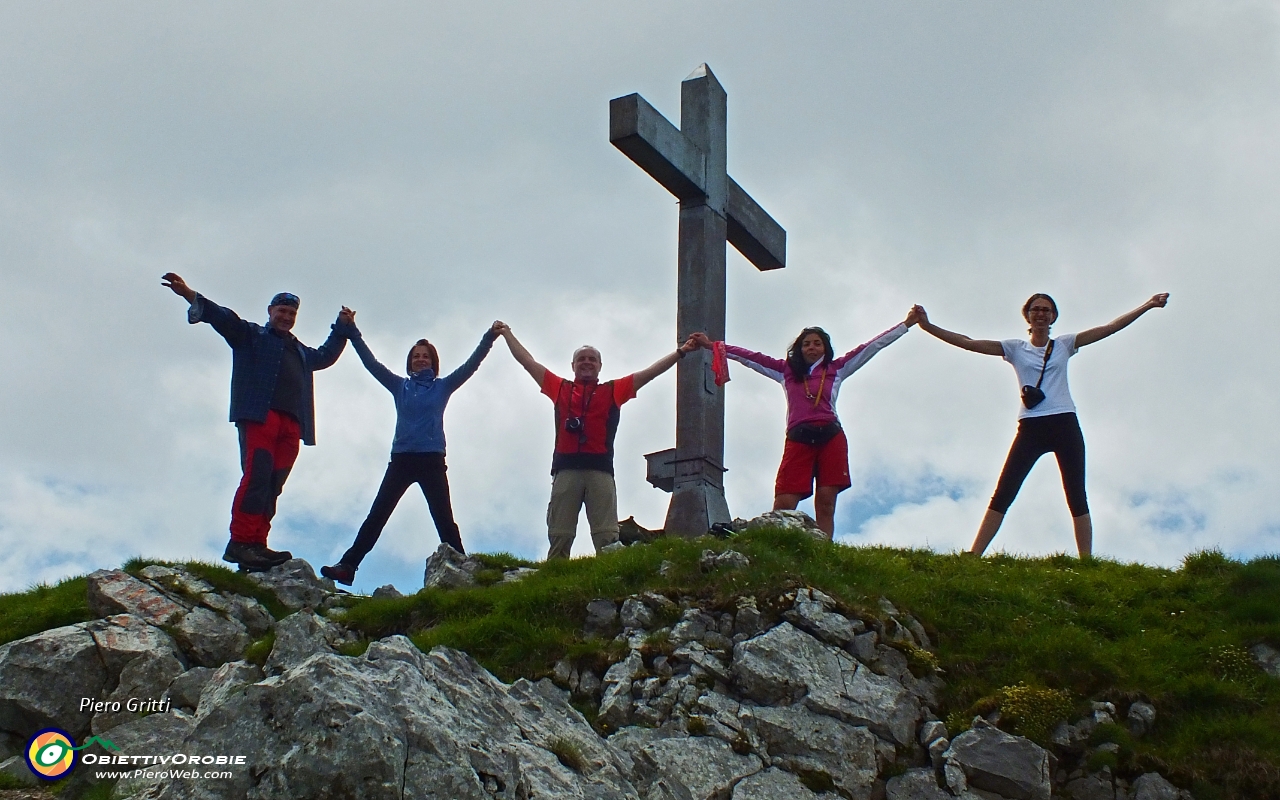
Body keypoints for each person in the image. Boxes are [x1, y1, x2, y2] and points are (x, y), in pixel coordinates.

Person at [914, 292, 1170, 557]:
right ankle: (974, 554)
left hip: (1064, 423)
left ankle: (1086, 562)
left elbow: (1110, 328)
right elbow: (968, 343)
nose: (1041, 314)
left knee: (1076, 495)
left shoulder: (1065, 344)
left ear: (1053, 316)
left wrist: (1148, 305)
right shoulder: (1015, 348)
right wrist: (928, 326)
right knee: (1004, 492)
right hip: (1030, 427)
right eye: (1036, 309)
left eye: (1046, 310)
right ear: (1027, 315)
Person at [161, 273, 354, 572]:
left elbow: (326, 356)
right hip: (259, 416)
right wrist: (190, 295)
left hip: (292, 424)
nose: (287, 317)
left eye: (292, 314)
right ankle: (240, 542)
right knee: (257, 477)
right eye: (282, 311)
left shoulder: (300, 351)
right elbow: (224, 318)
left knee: (273, 485)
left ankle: (258, 545)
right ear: (270, 311)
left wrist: (342, 328)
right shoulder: (250, 335)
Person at [690, 309, 920, 539]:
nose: (812, 348)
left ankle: (823, 548)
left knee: (826, 501)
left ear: (825, 348)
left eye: (817, 344)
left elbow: (872, 346)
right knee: (784, 501)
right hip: (799, 438)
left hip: (831, 436)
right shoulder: (785, 370)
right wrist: (712, 346)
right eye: (807, 344)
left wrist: (906, 324)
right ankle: (776, 543)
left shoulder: (837, 368)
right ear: (799, 349)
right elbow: (750, 357)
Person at [320, 320, 503, 586]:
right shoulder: (399, 386)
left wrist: (489, 338)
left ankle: (464, 570)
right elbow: (372, 364)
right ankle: (348, 566)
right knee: (377, 515)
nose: (420, 359)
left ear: (433, 362)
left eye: (425, 356)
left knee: (443, 519)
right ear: (410, 361)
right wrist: (353, 333)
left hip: (431, 460)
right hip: (402, 460)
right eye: (416, 356)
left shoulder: (443, 386)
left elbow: (470, 366)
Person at [497, 324, 698, 558]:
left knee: (606, 536)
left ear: (600, 366)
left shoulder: (613, 390)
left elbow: (650, 373)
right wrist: (507, 333)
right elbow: (527, 362)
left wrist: (681, 352)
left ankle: (610, 584)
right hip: (566, 471)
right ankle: (555, 580)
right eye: (581, 359)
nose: (587, 362)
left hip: (599, 471)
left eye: (592, 359)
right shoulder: (560, 388)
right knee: (560, 534)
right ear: (572, 366)